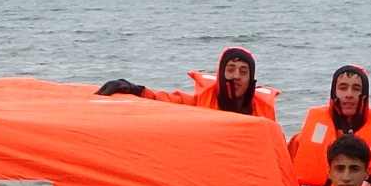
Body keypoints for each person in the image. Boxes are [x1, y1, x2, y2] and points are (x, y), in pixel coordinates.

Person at [95, 47, 280, 122]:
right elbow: (164, 101)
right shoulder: (199, 103)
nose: (236, 76)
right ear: (221, 73)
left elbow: (278, 153)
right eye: (230, 69)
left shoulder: (264, 112)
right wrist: (135, 89)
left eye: (243, 71)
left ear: (251, 78)